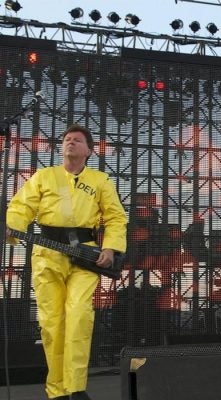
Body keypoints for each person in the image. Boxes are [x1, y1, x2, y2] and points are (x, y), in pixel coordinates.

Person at [6, 124, 127, 400]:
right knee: (51, 323)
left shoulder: (100, 180)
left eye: (77, 140)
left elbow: (116, 217)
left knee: (79, 316)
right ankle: (57, 390)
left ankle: (76, 388)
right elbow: (21, 206)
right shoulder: (44, 176)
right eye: (67, 139)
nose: (70, 142)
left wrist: (110, 248)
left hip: (85, 255)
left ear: (89, 150)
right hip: (47, 255)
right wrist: (12, 226)